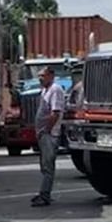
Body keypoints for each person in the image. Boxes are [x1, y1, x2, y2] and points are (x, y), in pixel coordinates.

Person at [31, 66, 65, 207]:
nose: (40, 78)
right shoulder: (45, 90)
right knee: (44, 166)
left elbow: (55, 113)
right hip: (43, 134)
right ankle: (44, 192)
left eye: (43, 75)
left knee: (47, 166)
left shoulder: (55, 90)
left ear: (51, 75)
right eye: (39, 76)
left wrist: (46, 130)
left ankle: (45, 195)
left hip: (49, 134)